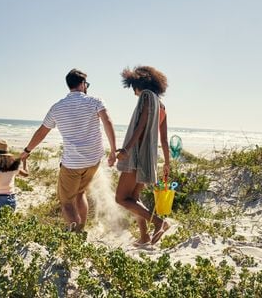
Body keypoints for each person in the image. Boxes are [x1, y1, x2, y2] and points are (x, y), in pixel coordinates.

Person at [20, 68, 117, 232]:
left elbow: (42, 132)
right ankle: (80, 230)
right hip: (93, 161)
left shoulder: (57, 108)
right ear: (82, 84)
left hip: (72, 163)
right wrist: (113, 151)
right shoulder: (95, 101)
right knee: (80, 193)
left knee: (67, 202)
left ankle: (74, 233)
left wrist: (27, 150)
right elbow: (108, 122)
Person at [115, 66, 170, 246]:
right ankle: (144, 237)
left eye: (134, 88)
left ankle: (160, 223)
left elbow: (140, 126)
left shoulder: (146, 96)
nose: (134, 94)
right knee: (134, 198)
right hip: (149, 158)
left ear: (140, 84)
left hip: (138, 155)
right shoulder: (161, 105)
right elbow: (164, 139)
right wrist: (167, 163)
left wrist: (126, 150)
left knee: (121, 198)